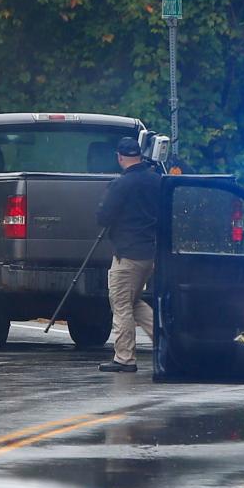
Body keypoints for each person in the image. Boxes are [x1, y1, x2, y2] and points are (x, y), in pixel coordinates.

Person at [95, 137, 161, 372]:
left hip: (128, 253)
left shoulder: (121, 185)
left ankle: (124, 358)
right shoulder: (157, 181)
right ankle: (166, 342)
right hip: (150, 253)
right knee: (133, 302)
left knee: (121, 303)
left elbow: (103, 217)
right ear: (140, 155)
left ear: (120, 157)